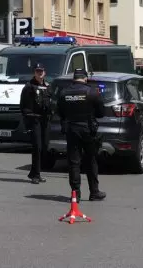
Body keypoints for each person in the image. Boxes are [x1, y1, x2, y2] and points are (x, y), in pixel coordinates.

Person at [57, 69, 106, 201]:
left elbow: (59, 112)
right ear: (85, 78)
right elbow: (101, 113)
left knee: (74, 162)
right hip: (88, 130)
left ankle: (75, 194)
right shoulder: (92, 92)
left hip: (72, 130)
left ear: (74, 78)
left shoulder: (64, 93)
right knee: (91, 160)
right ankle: (94, 192)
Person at [20, 63, 51, 184]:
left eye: (41, 71)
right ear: (34, 72)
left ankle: (34, 172)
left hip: (45, 121)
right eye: (37, 71)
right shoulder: (29, 87)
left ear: (45, 72)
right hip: (34, 120)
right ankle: (36, 175)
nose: (40, 73)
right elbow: (24, 106)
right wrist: (29, 118)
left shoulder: (48, 86)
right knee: (37, 147)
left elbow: (51, 102)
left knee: (43, 147)